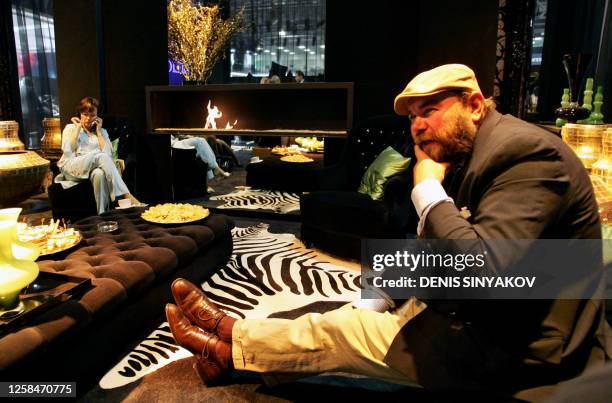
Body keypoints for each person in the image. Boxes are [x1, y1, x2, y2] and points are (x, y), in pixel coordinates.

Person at [165, 64, 610, 397]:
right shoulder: (473, 147)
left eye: (431, 110)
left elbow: (484, 271)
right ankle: (231, 345)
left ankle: (226, 346)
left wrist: (429, 189)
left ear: (475, 105)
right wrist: (382, 292)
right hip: (490, 306)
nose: (417, 126)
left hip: (519, 344)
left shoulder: (524, 153)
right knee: (358, 304)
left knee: (339, 332)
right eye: (414, 115)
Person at [55, 97, 139, 214]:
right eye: (84, 114)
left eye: (92, 114)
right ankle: (126, 195)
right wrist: (78, 128)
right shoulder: (71, 128)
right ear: (79, 114)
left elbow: (108, 156)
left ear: (97, 115)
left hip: (92, 170)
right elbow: (68, 151)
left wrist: (99, 133)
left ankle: (102, 215)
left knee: (99, 174)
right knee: (99, 156)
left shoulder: (102, 132)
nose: (88, 118)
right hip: (71, 167)